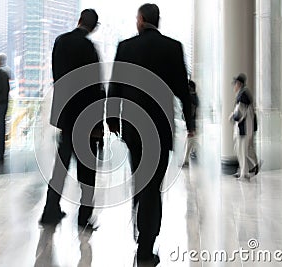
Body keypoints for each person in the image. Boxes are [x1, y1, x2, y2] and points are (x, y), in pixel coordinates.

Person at [107, 4, 194, 266]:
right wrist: (191, 123)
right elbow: (182, 89)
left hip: (134, 128)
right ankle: (147, 242)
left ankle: (139, 215)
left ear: (141, 20)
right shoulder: (173, 47)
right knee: (152, 185)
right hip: (159, 128)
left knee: (139, 178)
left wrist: (112, 120)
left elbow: (115, 86)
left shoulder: (125, 47)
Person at [39, 9, 105, 230]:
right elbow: (96, 87)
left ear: (78, 21)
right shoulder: (89, 48)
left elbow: (58, 76)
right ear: (94, 27)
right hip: (85, 117)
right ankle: (84, 217)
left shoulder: (60, 42)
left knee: (61, 167)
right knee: (87, 171)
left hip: (65, 115)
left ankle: (50, 210)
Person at [229, 73, 259, 179]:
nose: (234, 86)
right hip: (245, 128)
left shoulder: (243, 95)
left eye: (235, 84)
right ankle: (246, 170)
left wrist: (232, 116)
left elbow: (239, 114)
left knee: (241, 150)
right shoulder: (244, 94)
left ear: (239, 84)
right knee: (241, 149)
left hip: (244, 129)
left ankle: (244, 173)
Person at [182, 79, 199, 166]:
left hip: (192, 124)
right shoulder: (195, 97)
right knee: (190, 142)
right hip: (193, 124)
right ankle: (186, 160)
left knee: (189, 142)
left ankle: (186, 160)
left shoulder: (191, 98)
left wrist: (190, 127)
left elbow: (191, 113)